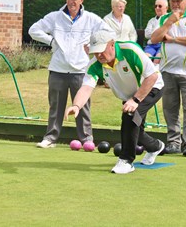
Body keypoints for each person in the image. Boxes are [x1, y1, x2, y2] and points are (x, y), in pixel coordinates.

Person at [64, 29, 165, 174]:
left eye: (101, 50)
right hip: (129, 96)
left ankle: (126, 160)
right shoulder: (95, 65)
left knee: (129, 116)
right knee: (136, 129)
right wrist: (76, 105)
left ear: (112, 44)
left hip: (151, 87)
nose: (99, 55)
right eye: (95, 52)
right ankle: (155, 146)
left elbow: (152, 76)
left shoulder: (130, 50)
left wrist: (136, 100)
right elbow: (86, 87)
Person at [28, 0, 111, 148]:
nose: (71, 1)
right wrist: (51, 41)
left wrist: (93, 44)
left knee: (83, 107)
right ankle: (50, 138)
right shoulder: (54, 17)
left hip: (80, 70)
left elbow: (108, 33)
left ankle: (87, 139)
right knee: (56, 106)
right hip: (58, 69)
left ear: (81, 0)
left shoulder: (91, 18)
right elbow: (33, 30)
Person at [151, 0, 186, 157]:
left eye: (179, 1)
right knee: (170, 108)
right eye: (173, 1)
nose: (175, 4)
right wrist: (169, 23)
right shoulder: (164, 19)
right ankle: (173, 142)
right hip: (167, 70)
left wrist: (173, 39)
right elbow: (154, 39)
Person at [144, 0, 168, 65]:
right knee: (146, 59)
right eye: (156, 6)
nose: (157, 8)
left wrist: (155, 33)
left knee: (157, 60)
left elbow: (166, 34)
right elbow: (147, 34)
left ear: (166, 8)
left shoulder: (168, 19)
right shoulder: (151, 20)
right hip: (151, 45)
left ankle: (156, 74)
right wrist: (159, 33)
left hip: (163, 45)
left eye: (160, 6)